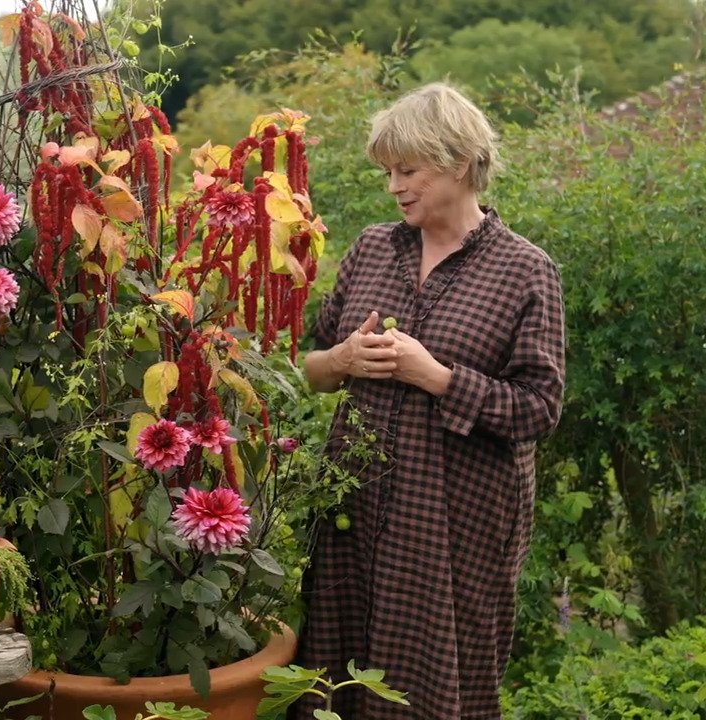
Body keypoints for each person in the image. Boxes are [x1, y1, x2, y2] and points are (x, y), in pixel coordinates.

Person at [292, 82, 566, 719]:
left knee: (439, 682)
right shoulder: (371, 249)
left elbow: (538, 407)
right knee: (336, 669)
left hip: (455, 526)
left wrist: (437, 376)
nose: (394, 186)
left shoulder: (525, 270)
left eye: (408, 169)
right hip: (354, 510)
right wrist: (343, 361)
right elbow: (307, 365)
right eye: (388, 171)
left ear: (461, 163)